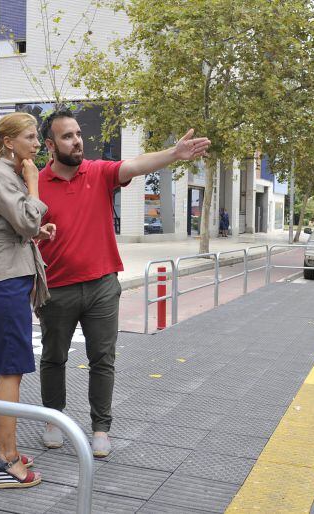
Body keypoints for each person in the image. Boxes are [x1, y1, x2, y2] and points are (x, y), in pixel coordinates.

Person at [36, 110, 210, 457]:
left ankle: (101, 428)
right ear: (50, 145)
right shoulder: (36, 183)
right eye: (67, 136)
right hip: (56, 288)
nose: (77, 141)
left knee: (103, 358)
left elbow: (136, 165)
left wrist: (173, 155)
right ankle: (53, 419)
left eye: (78, 134)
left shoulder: (98, 172)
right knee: (54, 358)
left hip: (101, 285)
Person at [0, 112, 56, 489]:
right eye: (31, 137)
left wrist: (37, 230)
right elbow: (25, 221)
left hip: (3, 277)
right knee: (11, 370)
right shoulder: (2, 175)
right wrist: (35, 185)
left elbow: (19, 226)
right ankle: (7, 461)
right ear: (9, 142)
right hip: (4, 279)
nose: (37, 144)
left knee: (0, 367)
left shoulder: (2, 174)